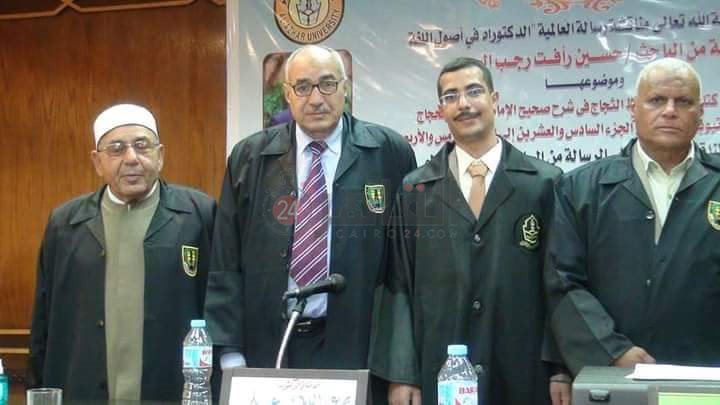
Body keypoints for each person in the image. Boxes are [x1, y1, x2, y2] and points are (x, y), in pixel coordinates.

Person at [203, 45, 416, 375]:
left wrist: (400, 366)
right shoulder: (248, 158)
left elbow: (405, 266)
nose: (316, 99)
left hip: (361, 346)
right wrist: (230, 352)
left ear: (345, 88)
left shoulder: (389, 152)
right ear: (287, 94)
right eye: (302, 87)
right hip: (268, 343)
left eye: (327, 84)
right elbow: (225, 259)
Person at [369, 57, 569, 405]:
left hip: (524, 373)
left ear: (494, 99)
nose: (463, 103)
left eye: (474, 91)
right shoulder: (416, 190)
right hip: (439, 373)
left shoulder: (543, 184)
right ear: (441, 110)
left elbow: (561, 285)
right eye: (451, 96)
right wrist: (402, 374)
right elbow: (397, 285)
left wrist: (560, 368)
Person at [29, 103, 216, 400]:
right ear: (97, 161)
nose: (131, 158)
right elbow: (44, 320)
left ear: (160, 155)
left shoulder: (199, 214)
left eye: (142, 146)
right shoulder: (65, 223)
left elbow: (220, 304)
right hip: (82, 391)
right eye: (116, 149)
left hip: (173, 390)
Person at [545, 57, 720, 376]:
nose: (670, 111)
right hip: (612, 375)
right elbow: (563, 280)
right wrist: (611, 350)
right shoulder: (581, 188)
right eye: (657, 100)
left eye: (683, 102)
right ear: (633, 109)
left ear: (701, 113)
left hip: (707, 375)